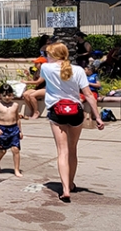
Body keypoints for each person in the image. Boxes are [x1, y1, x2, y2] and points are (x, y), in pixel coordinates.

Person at [42, 42, 105, 202]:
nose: (46, 57)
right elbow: (89, 95)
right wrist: (97, 117)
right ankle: (70, 183)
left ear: (53, 55)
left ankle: (65, 189)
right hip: (76, 111)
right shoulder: (77, 70)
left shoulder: (46, 68)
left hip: (57, 111)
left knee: (62, 152)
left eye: (48, 54)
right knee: (72, 149)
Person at [0, 84, 23, 177]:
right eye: (4, 95)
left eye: (9, 95)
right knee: (3, 150)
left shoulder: (15, 105)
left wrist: (20, 131)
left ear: (12, 95)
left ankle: (16, 170)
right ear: (0, 95)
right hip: (2, 129)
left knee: (15, 149)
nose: (7, 97)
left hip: (14, 129)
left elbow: (17, 119)